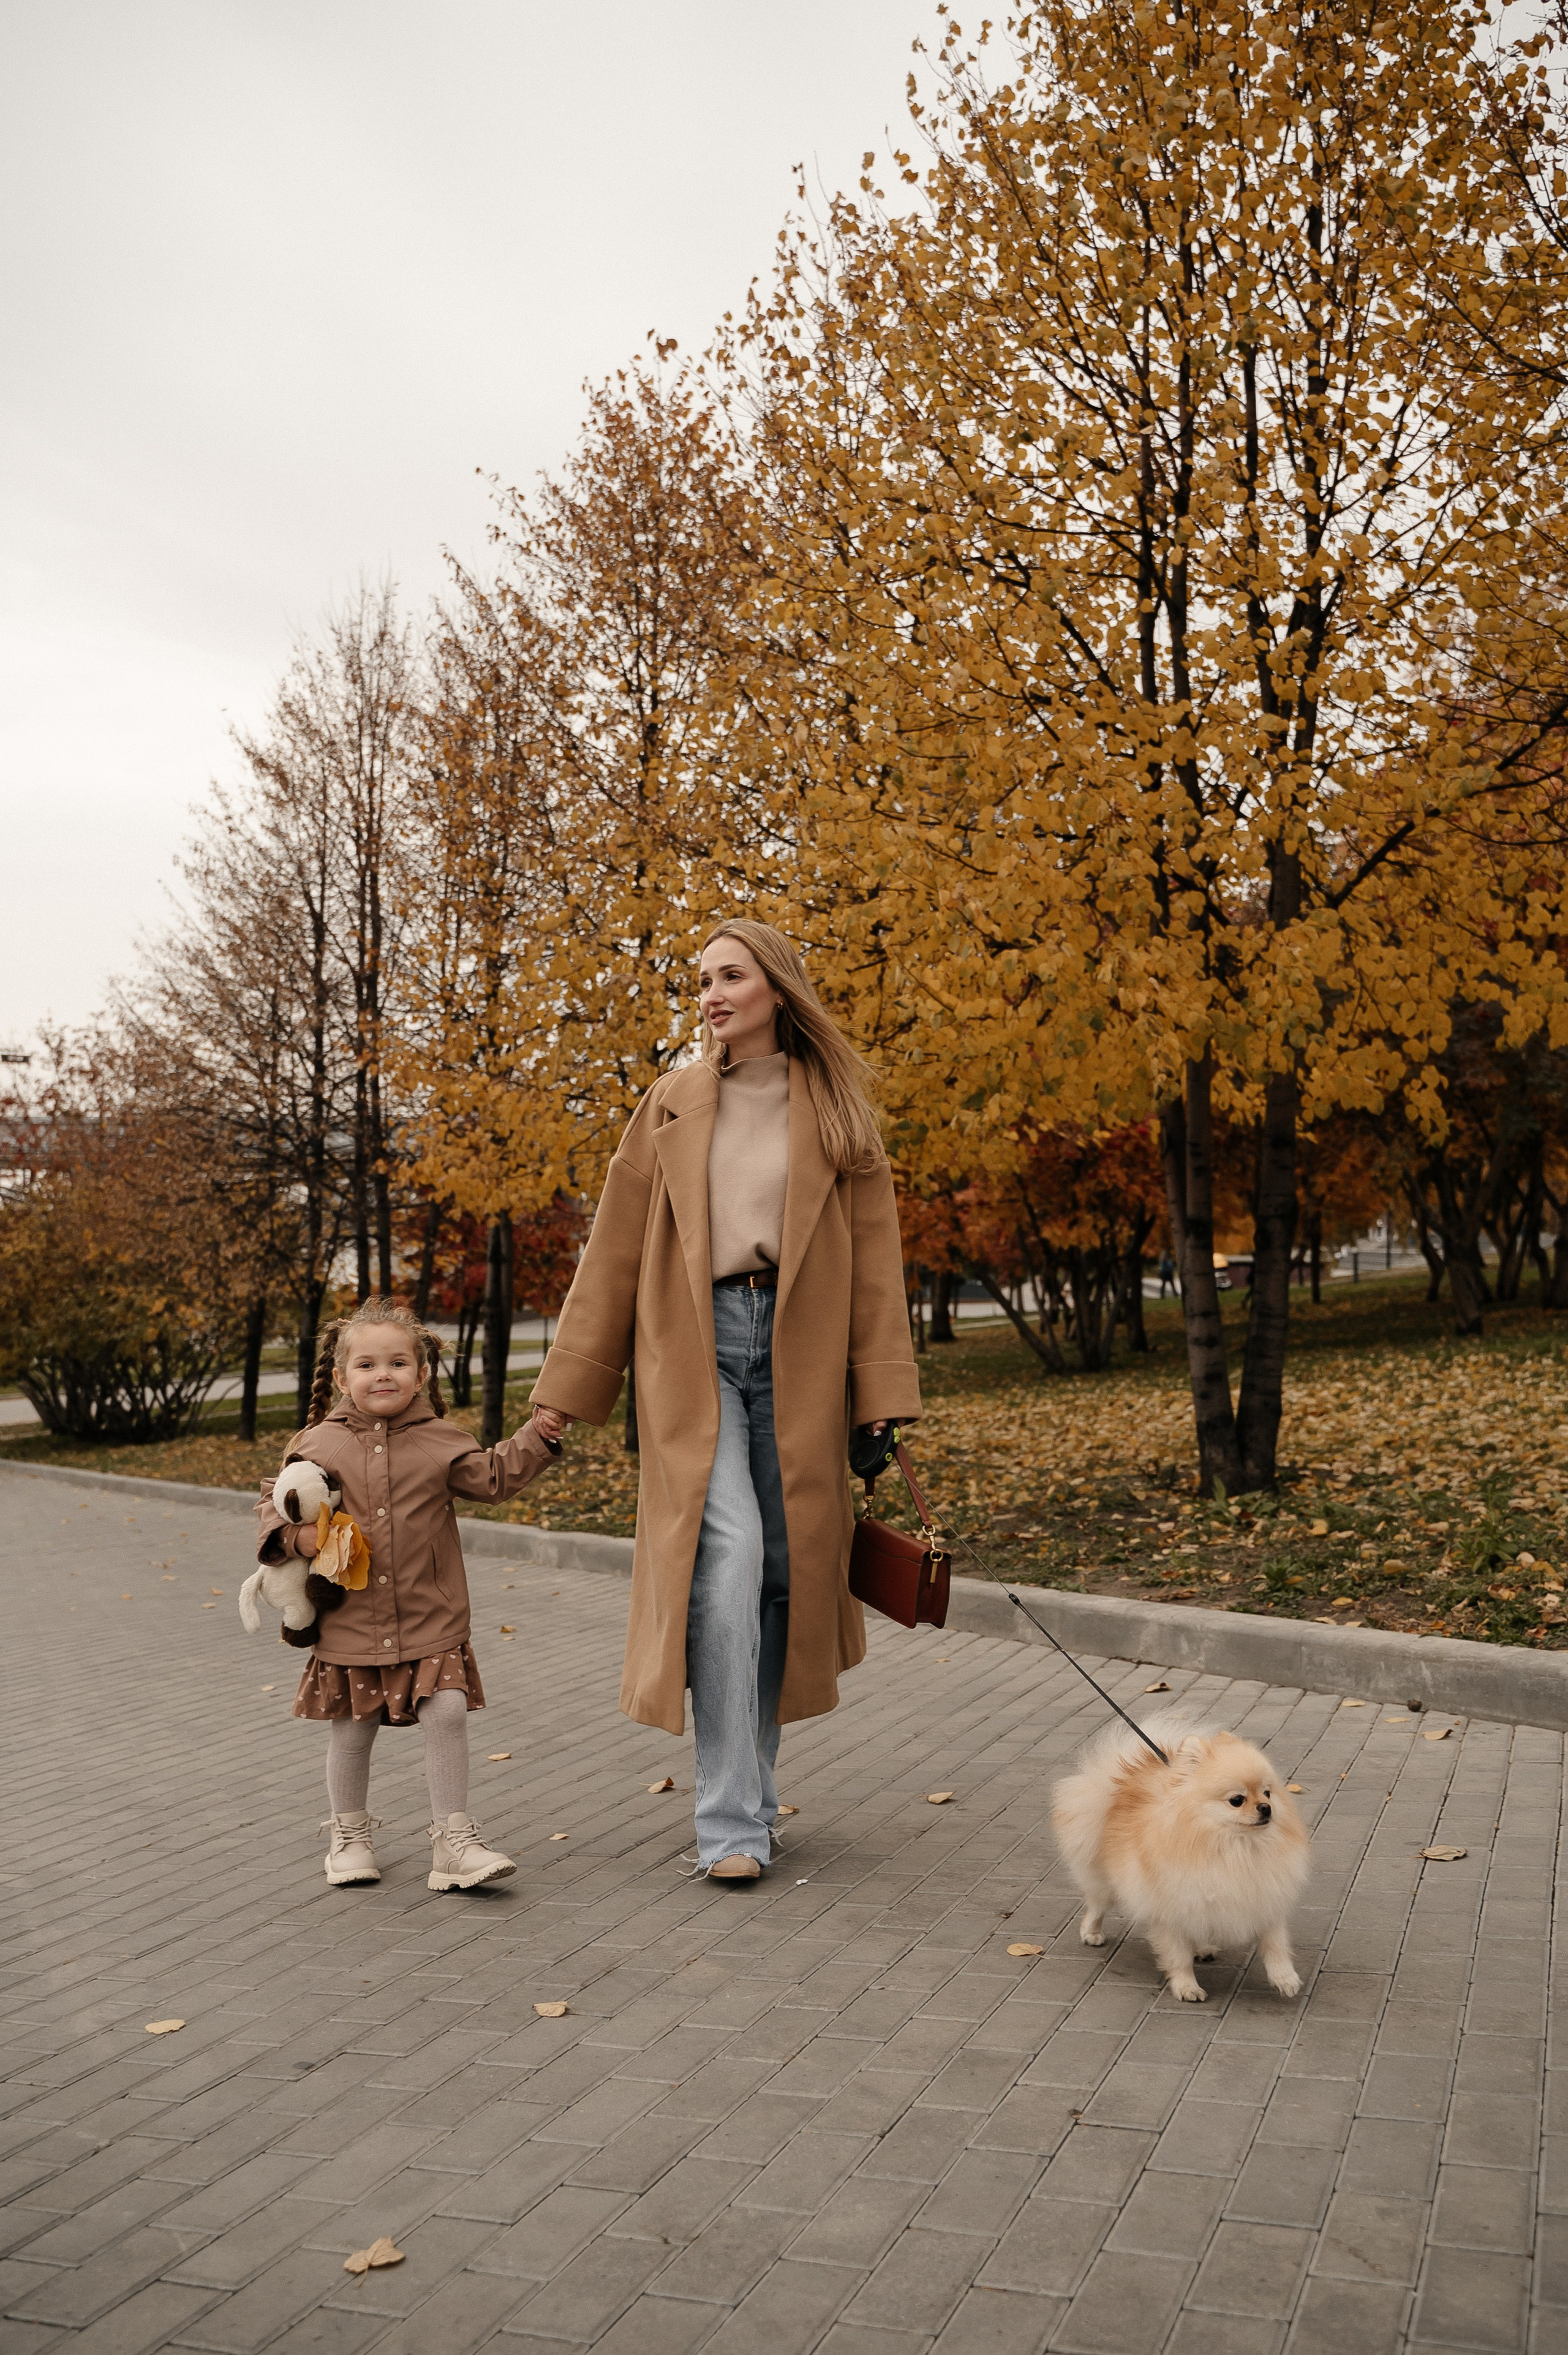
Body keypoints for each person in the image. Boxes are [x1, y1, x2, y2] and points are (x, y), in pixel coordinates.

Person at [530, 918, 921, 1881]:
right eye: (701, 979)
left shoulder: (835, 1115)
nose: (709, 994)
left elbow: (876, 1271)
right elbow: (613, 1253)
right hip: (693, 1351)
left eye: (730, 976)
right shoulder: (671, 1102)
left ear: (777, 990)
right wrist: (562, 1403)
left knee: (783, 1575)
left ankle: (754, 1797)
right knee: (730, 1559)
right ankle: (729, 1824)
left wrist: (879, 1398)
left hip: (803, 1356)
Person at [254, 1298, 561, 1892]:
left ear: (421, 1374)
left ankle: (453, 1842)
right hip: (350, 1622)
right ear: (342, 1377)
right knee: (351, 1728)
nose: (383, 1374)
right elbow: (276, 1502)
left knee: (445, 1712)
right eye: (367, 1364)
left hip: (429, 1617)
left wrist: (539, 1434)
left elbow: (494, 1477)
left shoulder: (441, 1440)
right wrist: (297, 1535)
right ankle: (350, 1835)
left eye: (398, 1362)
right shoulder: (318, 1443)